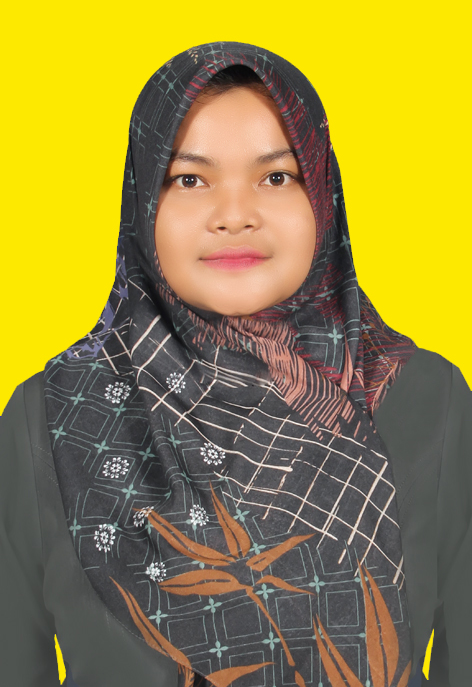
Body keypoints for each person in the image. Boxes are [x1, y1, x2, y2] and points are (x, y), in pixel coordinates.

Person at [0, 42, 470, 687]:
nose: (234, 216)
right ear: (143, 203)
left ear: (322, 195)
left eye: (276, 177)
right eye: (189, 180)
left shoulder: (427, 402)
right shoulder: (52, 415)